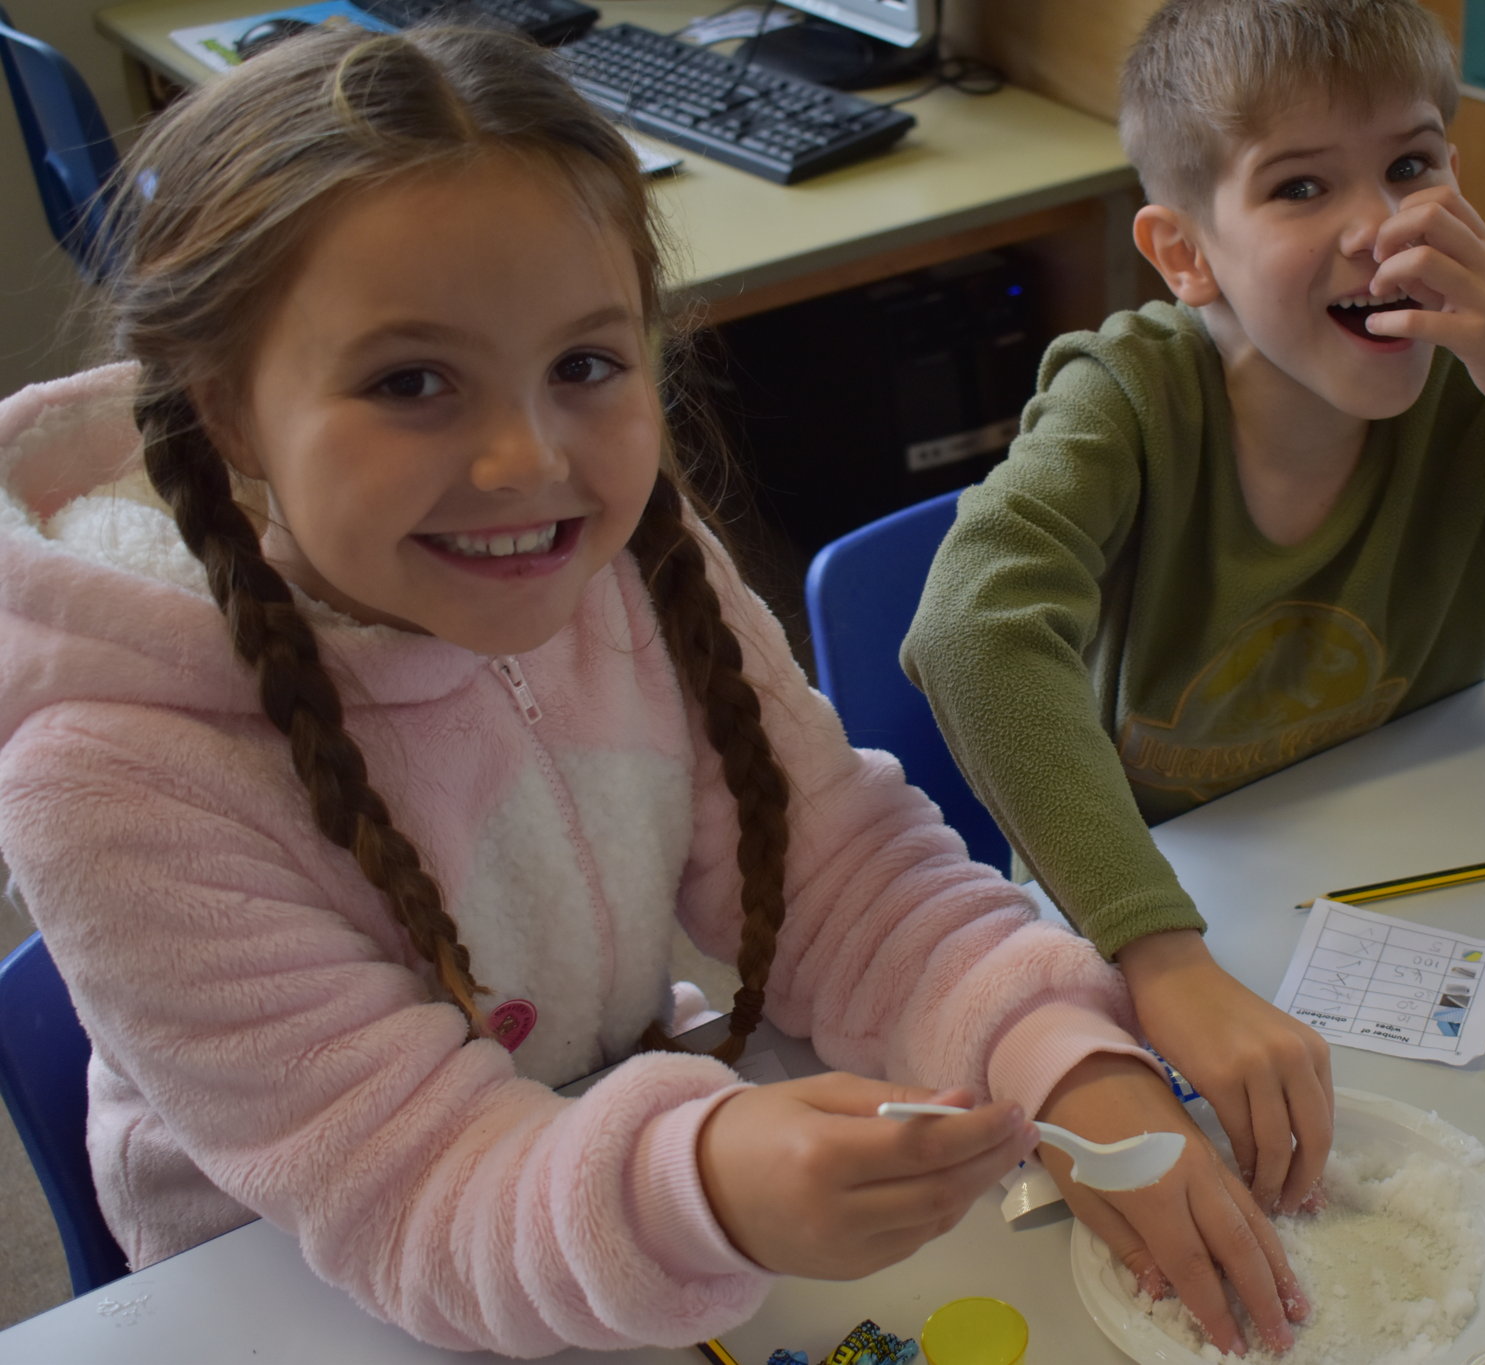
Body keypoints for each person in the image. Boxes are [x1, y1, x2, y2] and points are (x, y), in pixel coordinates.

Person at [0, 25, 1307, 1358]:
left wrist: (1053, 1050)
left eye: (584, 365)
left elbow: (839, 878)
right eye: (410, 382)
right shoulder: (112, 775)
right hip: (296, 1295)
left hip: (597, 1161)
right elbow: (412, 1187)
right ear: (227, 410)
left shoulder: (628, 569)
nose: (526, 463)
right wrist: (699, 1183)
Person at [904, 0, 1485, 1223]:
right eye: (1301, 187)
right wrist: (1163, 959)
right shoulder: (1130, 402)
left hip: (1395, 896)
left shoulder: (1481, 408)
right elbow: (967, 632)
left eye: (1410, 165)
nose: (1379, 228)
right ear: (1184, 253)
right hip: (1147, 913)